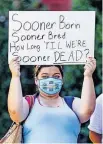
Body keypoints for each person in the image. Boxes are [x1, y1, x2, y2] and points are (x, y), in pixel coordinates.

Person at [8, 57, 96, 143]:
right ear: (36, 80)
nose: (50, 80)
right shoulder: (28, 103)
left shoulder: (72, 103)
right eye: (45, 76)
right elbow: (15, 113)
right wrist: (15, 76)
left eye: (56, 76)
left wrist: (88, 76)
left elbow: (87, 111)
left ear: (62, 79)